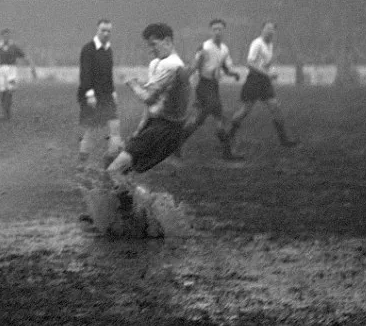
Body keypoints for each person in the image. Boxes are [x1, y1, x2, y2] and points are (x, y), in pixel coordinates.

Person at [106, 23, 192, 207]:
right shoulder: (157, 63)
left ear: (168, 41)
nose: (151, 49)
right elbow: (152, 106)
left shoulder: (172, 66)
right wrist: (139, 130)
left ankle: (141, 208)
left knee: (114, 170)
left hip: (165, 130)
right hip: (156, 126)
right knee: (118, 165)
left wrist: (133, 84)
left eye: (154, 44)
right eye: (149, 45)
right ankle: (125, 209)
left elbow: (150, 99)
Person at [177, 18, 243, 160]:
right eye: (215, 29)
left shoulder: (224, 49)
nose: (217, 32)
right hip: (203, 85)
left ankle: (177, 144)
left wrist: (233, 74)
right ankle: (227, 153)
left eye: (220, 29)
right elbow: (196, 65)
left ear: (224, 31)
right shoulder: (205, 47)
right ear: (210, 31)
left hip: (213, 86)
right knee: (217, 116)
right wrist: (188, 76)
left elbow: (224, 66)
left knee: (202, 120)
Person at [227, 21, 298, 148]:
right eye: (267, 28)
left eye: (272, 29)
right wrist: (268, 73)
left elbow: (263, 64)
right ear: (262, 29)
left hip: (264, 81)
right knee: (245, 111)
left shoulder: (270, 44)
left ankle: (284, 139)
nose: (270, 31)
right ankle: (229, 135)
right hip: (254, 80)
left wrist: (270, 69)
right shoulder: (257, 43)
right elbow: (250, 63)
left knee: (275, 106)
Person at [77, 19, 123, 164]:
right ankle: (82, 162)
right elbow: (85, 74)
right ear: (97, 30)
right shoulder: (88, 49)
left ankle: (109, 161)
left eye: (108, 31)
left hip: (107, 95)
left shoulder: (109, 50)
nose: (106, 33)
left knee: (115, 127)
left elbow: (109, 74)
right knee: (90, 131)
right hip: (91, 96)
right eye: (103, 30)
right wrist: (90, 94)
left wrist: (113, 93)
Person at [0, 28, 37, 120]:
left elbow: (25, 57)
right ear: (2, 36)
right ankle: (6, 112)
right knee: (2, 91)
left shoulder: (14, 47)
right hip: (1, 70)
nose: (6, 37)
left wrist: (32, 68)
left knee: (10, 90)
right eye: (4, 35)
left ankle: (6, 113)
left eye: (8, 35)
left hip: (12, 70)